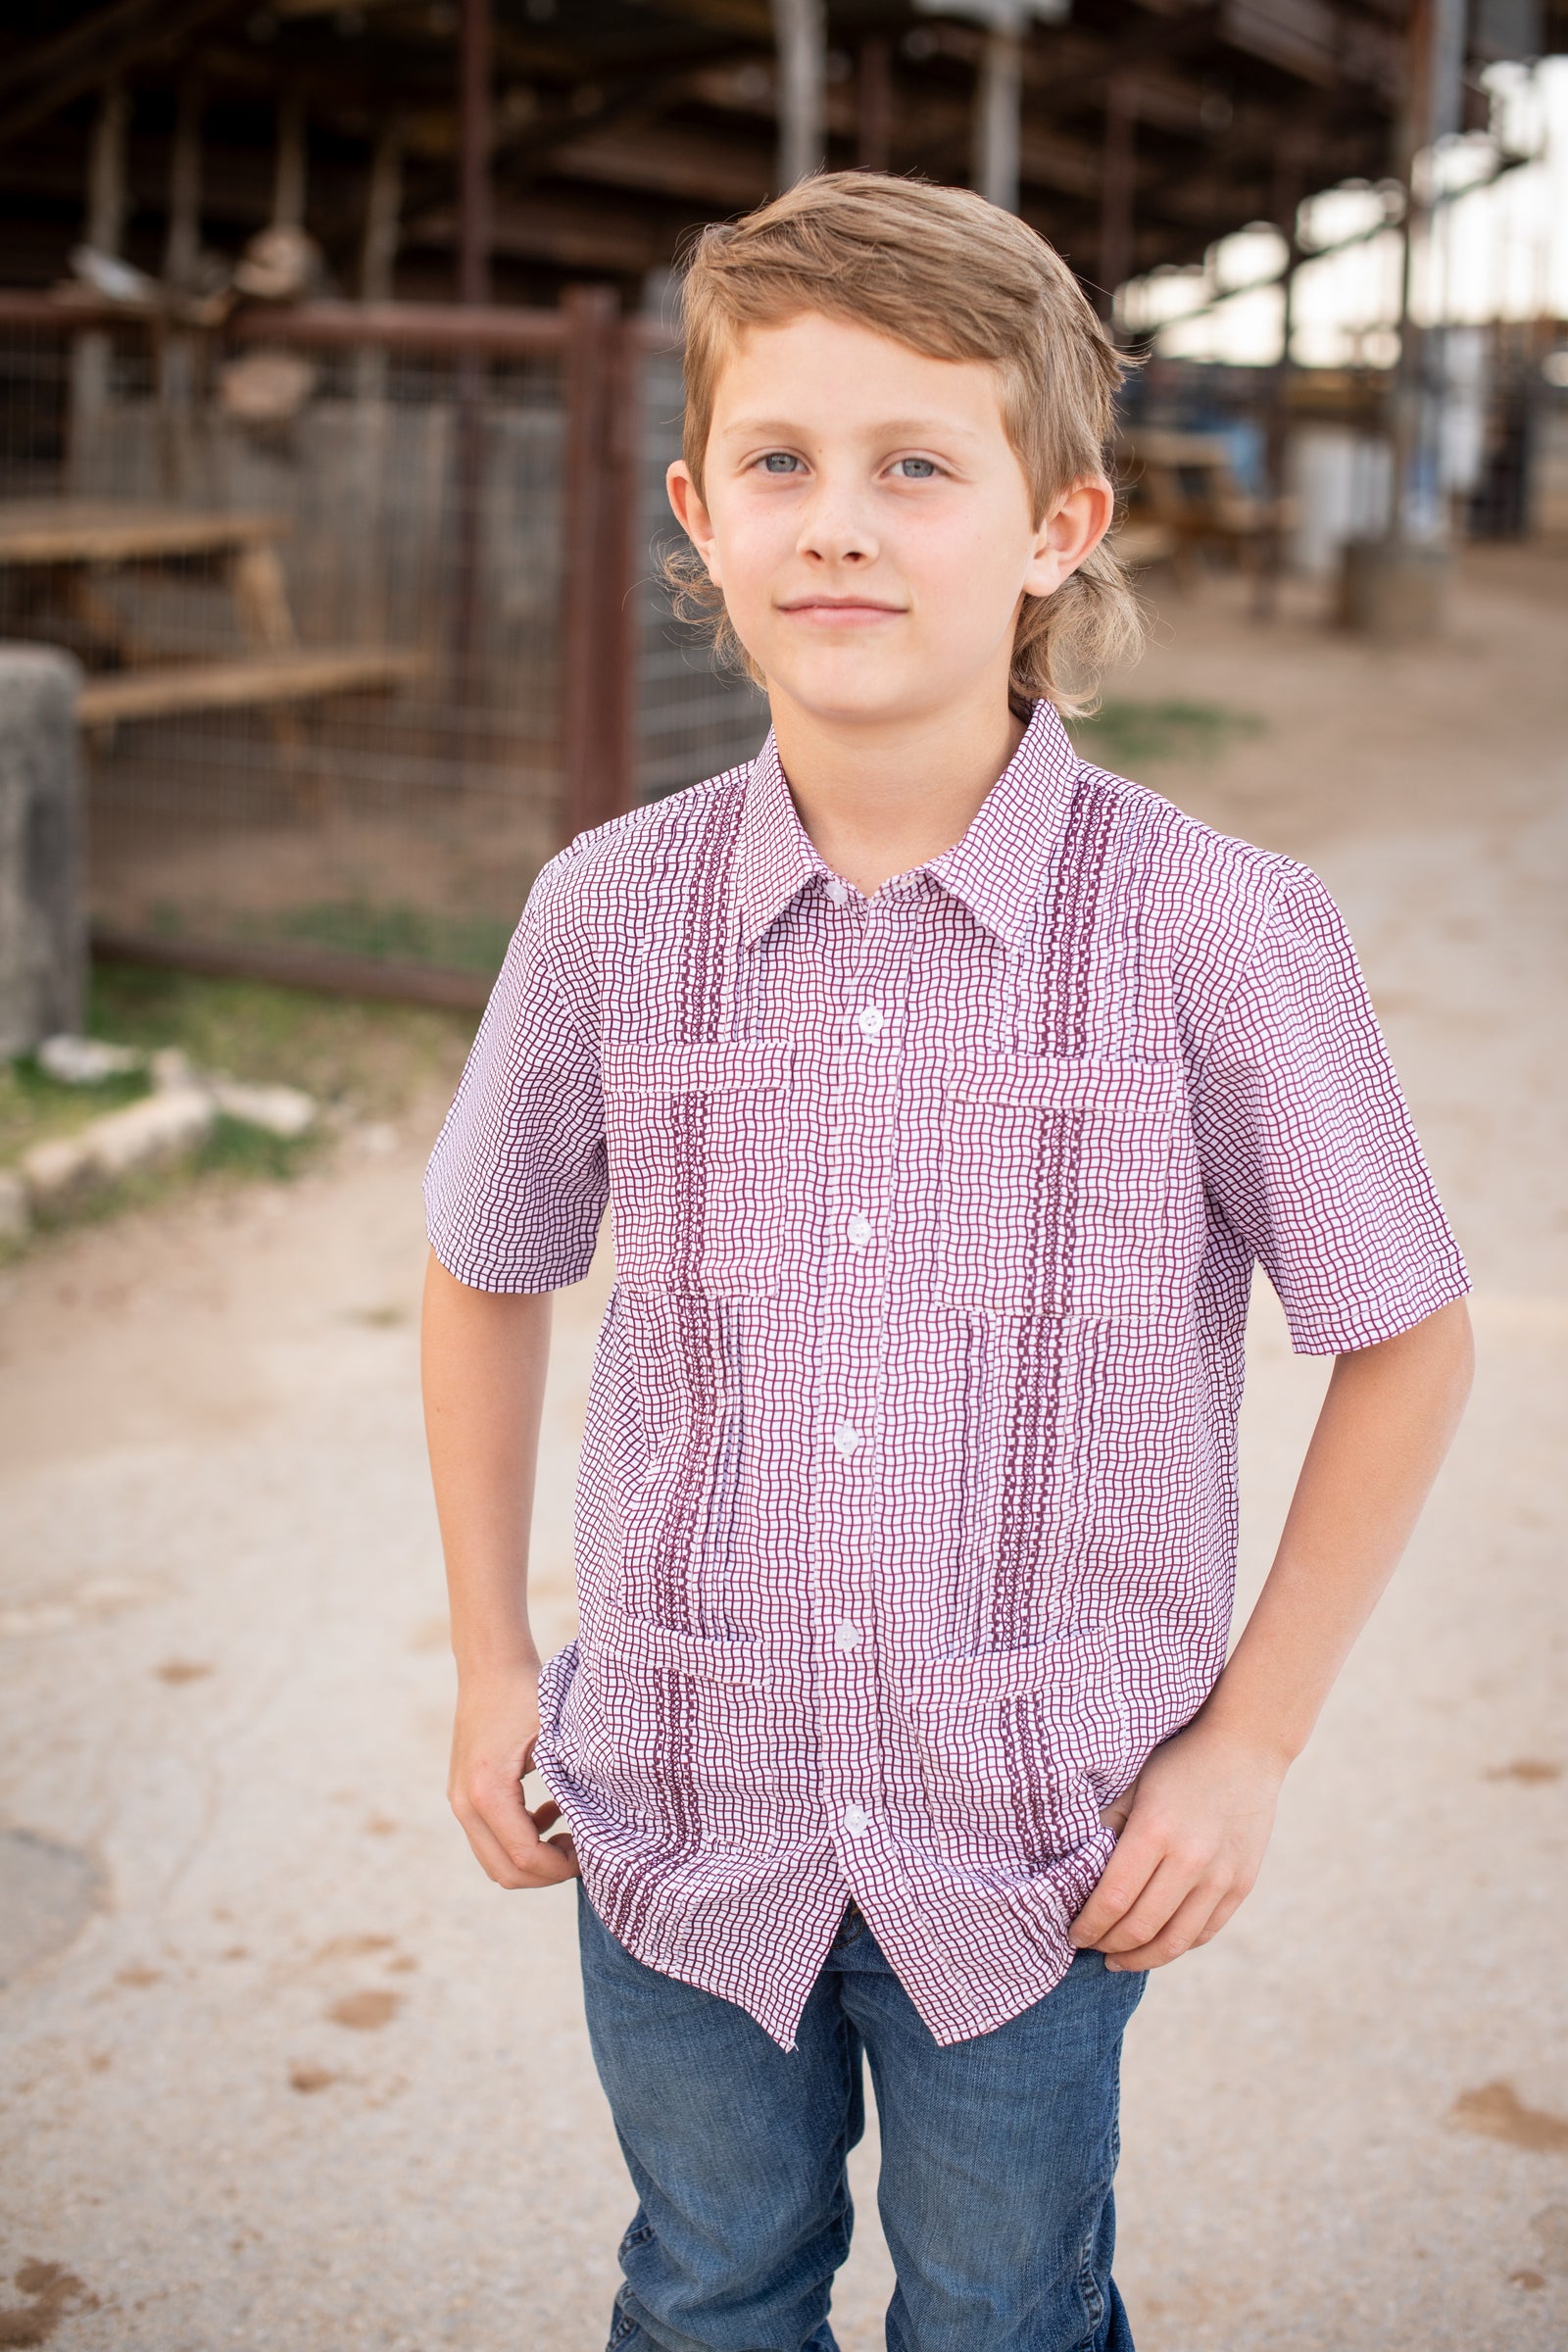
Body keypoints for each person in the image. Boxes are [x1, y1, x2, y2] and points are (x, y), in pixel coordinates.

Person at [420, 174, 1473, 2352]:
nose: (839, 523)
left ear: (1054, 526)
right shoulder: (605, 916)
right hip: (679, 1816)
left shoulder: (1210, 928)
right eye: (783, 466)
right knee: (707, 2286)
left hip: (1039, 1837)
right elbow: (483, 1263)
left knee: (1004, 2310)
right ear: (697, 513)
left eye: (917, 466)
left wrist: (1246, 1747)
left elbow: (1404, 1336)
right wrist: (488, 1662)